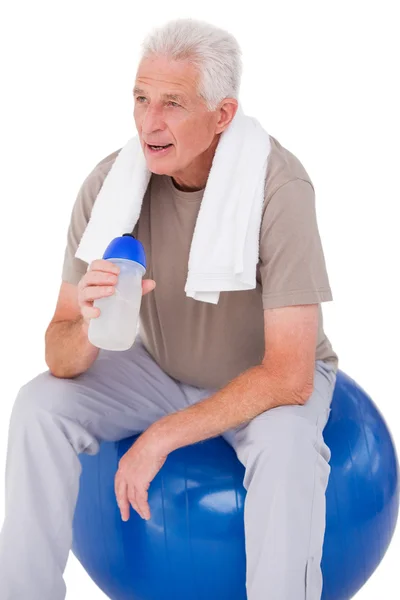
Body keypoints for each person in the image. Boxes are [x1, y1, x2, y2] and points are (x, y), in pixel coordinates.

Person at [0, 17, 339, 600]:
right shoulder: (111, 186)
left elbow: (289, 373)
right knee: (39, 405)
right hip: (160, 369)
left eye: (173, 104)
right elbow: (59, 353)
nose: (149, 123)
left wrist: (161, 437)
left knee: (286, 452)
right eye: (141, 99)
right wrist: (86, 318)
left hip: (265, 384)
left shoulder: (279, 187)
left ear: (222, 116)